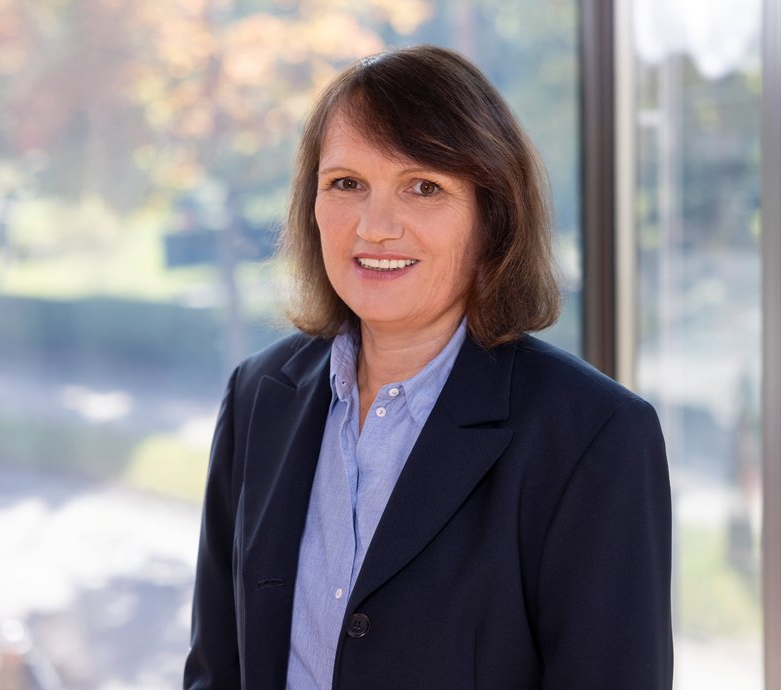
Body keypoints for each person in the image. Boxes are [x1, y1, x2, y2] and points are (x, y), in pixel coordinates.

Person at [183, 45, 673, 690]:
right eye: (346, 184)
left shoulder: (593, 436)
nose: (376, 227)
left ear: (490, 217)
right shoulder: (258, 396)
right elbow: (217, 670)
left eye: (424, 187)